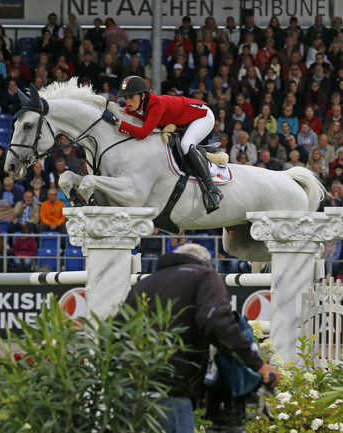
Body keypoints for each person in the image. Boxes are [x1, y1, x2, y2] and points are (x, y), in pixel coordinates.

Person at [124, 243, 278, 433]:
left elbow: (118, 330)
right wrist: (257, 365)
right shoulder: (203, 275)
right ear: (205, 262)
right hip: (172, 387)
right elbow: (217, 322)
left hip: (130, 387)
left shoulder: (144, 284)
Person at [103, 75, 222, 213]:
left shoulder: (156, 105)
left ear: (143, 95)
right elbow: (122, 113)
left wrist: (118, 123)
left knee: (186, 144)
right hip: (183, 121)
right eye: (125, 98)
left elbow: (142, 133)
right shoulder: (135, 107)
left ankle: (213, 190)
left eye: (131, 97)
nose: (127, 101)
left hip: (202, 116)